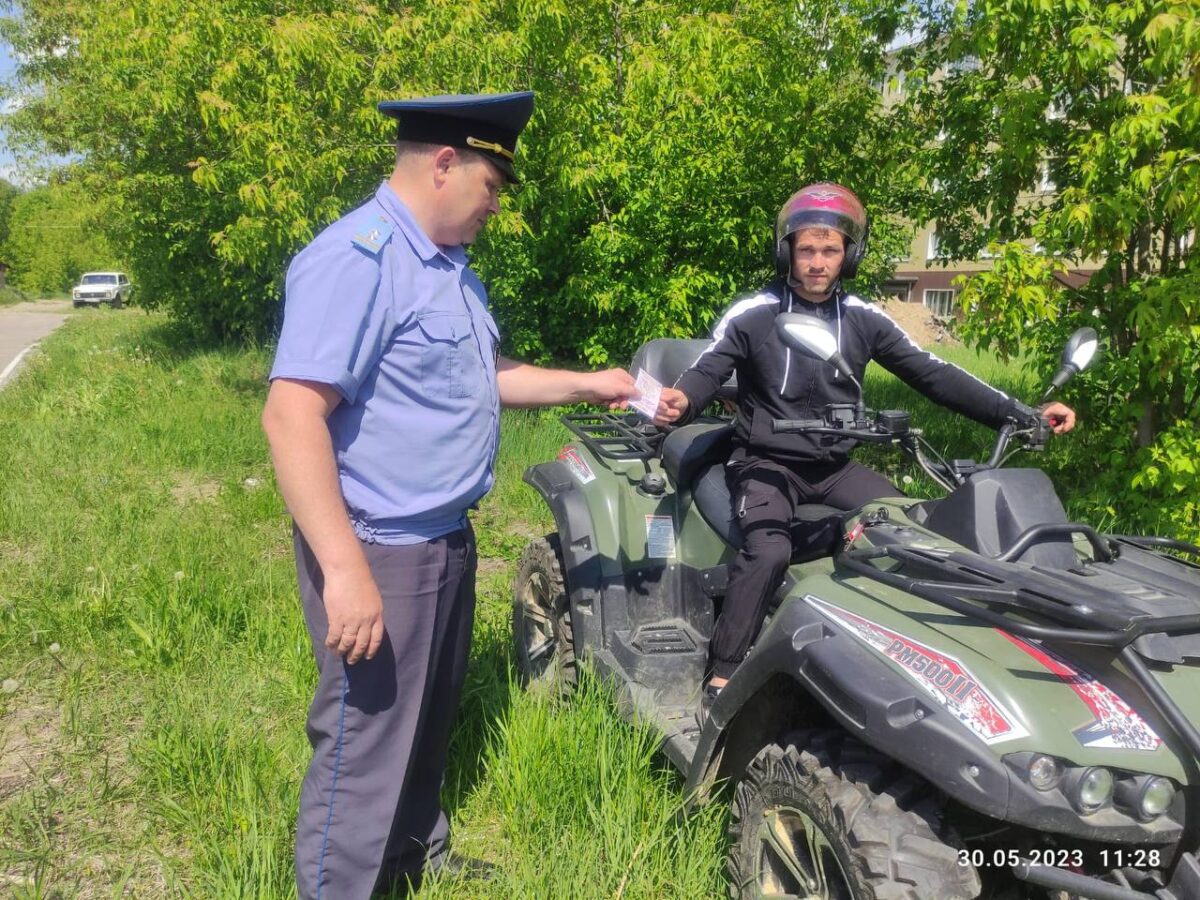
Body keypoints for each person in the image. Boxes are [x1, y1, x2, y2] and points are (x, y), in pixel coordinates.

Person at [262, 91, 644, 900]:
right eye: (492, 188)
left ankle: (412, 859)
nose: (495, 207)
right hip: (379, 547)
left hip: (443, 535)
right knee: (363, 744)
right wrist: (345, 571)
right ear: (445, 164)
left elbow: (482, 377)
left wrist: (595, 386)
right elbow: (292, 414)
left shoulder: (445, 269)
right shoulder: (356, 260)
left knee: (427, 719)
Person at [654, 182, 1076, 705]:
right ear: (786, 250)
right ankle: (723, 674)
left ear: (849, 256)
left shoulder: (863, 318)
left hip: (834, 465)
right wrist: (682, 401)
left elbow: (934, 374)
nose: (816, 262)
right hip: (765, 462)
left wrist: (1021, 413)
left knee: (912, 528)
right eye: (806, 249)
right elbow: (708, 368)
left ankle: (921, 660)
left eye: (829, 250)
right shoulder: (755, 313)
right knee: (768, 549)